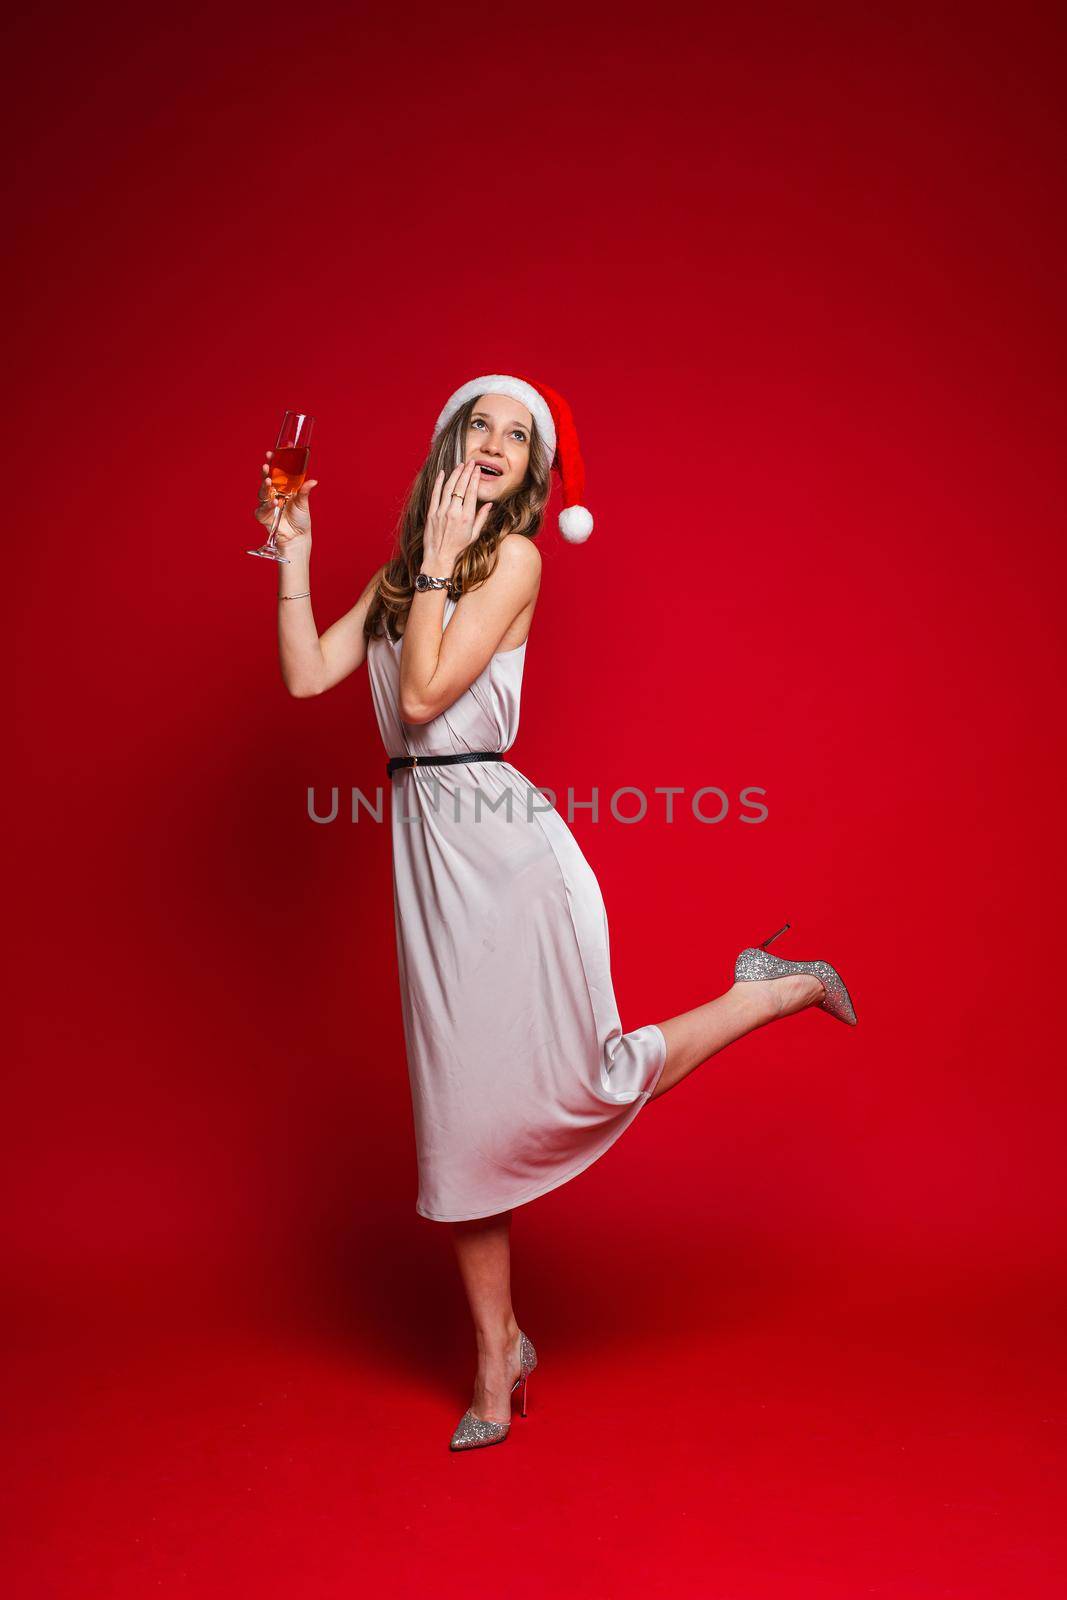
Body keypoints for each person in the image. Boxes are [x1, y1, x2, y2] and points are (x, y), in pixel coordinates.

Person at [255, 372, 857, 1453]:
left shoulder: (511, 560)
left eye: (514, 435)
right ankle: (499, 1349)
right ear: (447, 442)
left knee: (590, 1073)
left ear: (532, 476)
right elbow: (307, 677)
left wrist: (434, 567)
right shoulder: (408, 573)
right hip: (428, 856)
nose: (491, 440)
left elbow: (428, 697)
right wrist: (294, 553)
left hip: (506, 853)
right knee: (458, 1119)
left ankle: (766, 991)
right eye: (475, 423)